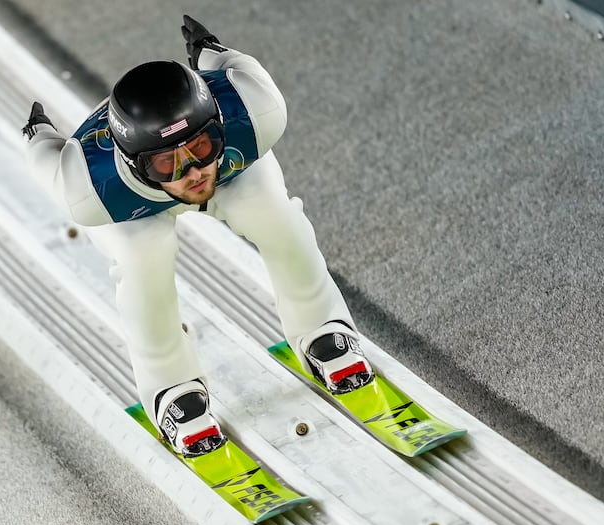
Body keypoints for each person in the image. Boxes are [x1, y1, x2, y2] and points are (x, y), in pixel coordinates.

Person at [22, 15, 372, 457]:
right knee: (141, 258)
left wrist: (209, 50)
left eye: (201, 147)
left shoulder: (256, 108)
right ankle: (171, 388)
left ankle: (320, 326)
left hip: (230, 173)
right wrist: (40, 133)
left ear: (218, 124)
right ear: (133, 164)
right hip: (139, 208)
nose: (192, 173)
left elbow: (232, 65)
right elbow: (46, 161)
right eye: (168, 164)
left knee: (275, 215)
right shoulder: (89, 188)